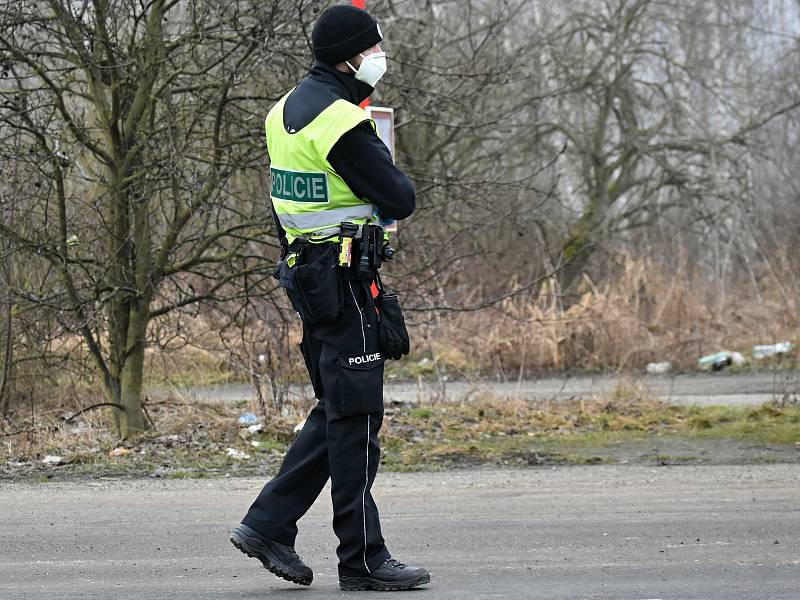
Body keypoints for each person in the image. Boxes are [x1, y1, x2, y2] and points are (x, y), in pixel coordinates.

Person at [230, 4, 430, 592]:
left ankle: (267, 523)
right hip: (345, 282)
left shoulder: (281, 111)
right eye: (372, 48)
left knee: (338, 408)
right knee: (355, 419)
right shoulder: (340, 119)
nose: (378, 57)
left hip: (309, 279)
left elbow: (284, 203)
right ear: (350, 56)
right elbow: (399, 197)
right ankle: (362, 559)